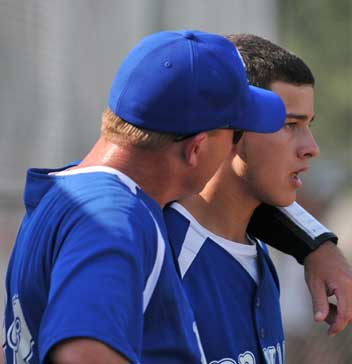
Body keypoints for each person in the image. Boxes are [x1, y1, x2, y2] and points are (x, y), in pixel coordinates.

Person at [2, 30, 287, 364]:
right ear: (196, 148)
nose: (233, 148)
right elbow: (83, 355)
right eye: (233, 135)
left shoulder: (68, 196)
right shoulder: (113, 219)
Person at [163, 34, 352, 364]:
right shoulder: (159, 247)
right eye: (288, 125)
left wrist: (319, 244)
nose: (312, 147)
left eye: (309, 124)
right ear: (233, 131)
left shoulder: (259, 252)